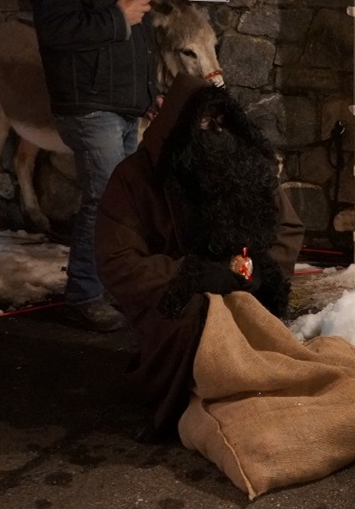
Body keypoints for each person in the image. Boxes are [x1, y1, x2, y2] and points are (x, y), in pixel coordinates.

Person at [94, 74, 305, 442]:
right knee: (196, 316)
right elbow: (118, 260)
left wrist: (264, 269)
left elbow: (285, 227)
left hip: (240, 283)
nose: (214, 131)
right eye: (203, 122)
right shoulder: (135, 178)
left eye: (220, 121)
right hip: (177, 295)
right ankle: (188, 400)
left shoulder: (243, 163)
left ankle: (246, 392)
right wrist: (191, 274)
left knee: (256, 321)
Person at [30, 0, 157, 332]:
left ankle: (109, 285)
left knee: (119, 200)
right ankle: (84, 294)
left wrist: (150, 92)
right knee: (104, 199)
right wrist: (119, 17)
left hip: (120, 103)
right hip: (90, 104)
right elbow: (56, 32)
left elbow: (133, 41)